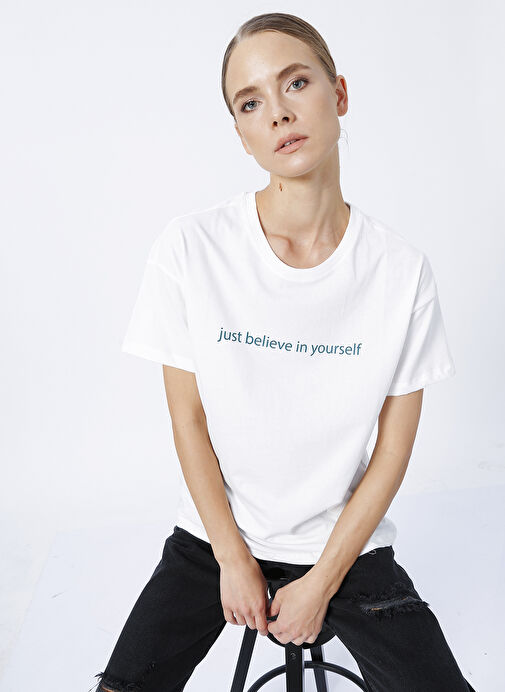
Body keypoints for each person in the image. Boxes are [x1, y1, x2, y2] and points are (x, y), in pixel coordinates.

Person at [92, 12, 476, 692]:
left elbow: (391, 452)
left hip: (343, 548)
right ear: (240, 134)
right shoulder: (192, 249)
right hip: (214, 537)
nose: (277, 113)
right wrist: (231, 558)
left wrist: (320, 581)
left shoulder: (400, 272)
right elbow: (188, 420)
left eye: (295, 83)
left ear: (339, 94)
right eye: (250, 103)